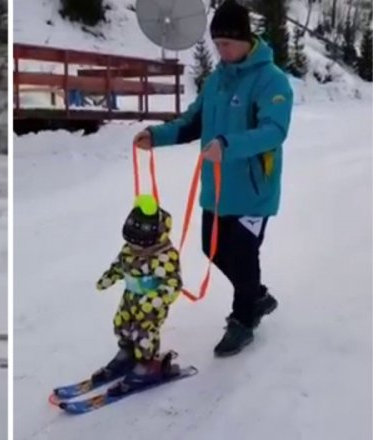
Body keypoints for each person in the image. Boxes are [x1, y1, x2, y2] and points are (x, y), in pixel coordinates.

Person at [133, 0, 294, 357]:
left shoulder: (271, 80)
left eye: (228, 43)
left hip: (253, 191)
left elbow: (274, 131)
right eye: (217, 43)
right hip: (217, 189)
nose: (222, 50)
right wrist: (156, 136)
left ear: (246, 39)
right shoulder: (216, 80)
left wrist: (228, 144)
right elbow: (192, 122)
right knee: (213, 248)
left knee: (243, 254)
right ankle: (257, 296)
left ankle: (243, 319)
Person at [94, 195, 184, 391]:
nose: (133, 247)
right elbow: (120, 265)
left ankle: (147, 365)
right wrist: (109, 277)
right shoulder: (129, 250)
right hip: (130, 299)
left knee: (144, 332)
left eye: (138, 243)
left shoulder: (164, 256)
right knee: (122, 323)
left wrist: (156, 299)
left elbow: (174, 282)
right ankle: (127, 352)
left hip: (151, 305)